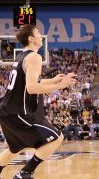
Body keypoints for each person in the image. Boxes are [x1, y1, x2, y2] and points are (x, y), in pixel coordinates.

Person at [0, 24, 76, 179]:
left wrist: (52, 80)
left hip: (6, 112)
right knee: (57, 137)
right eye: (37, 32)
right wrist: (60, 85)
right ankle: (25, 172)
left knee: (16, 148)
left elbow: (33, 81)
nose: (41, 35)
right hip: (18, 112)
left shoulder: (22, 56)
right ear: (31, 38)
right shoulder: (35, 57)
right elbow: (32, 88)